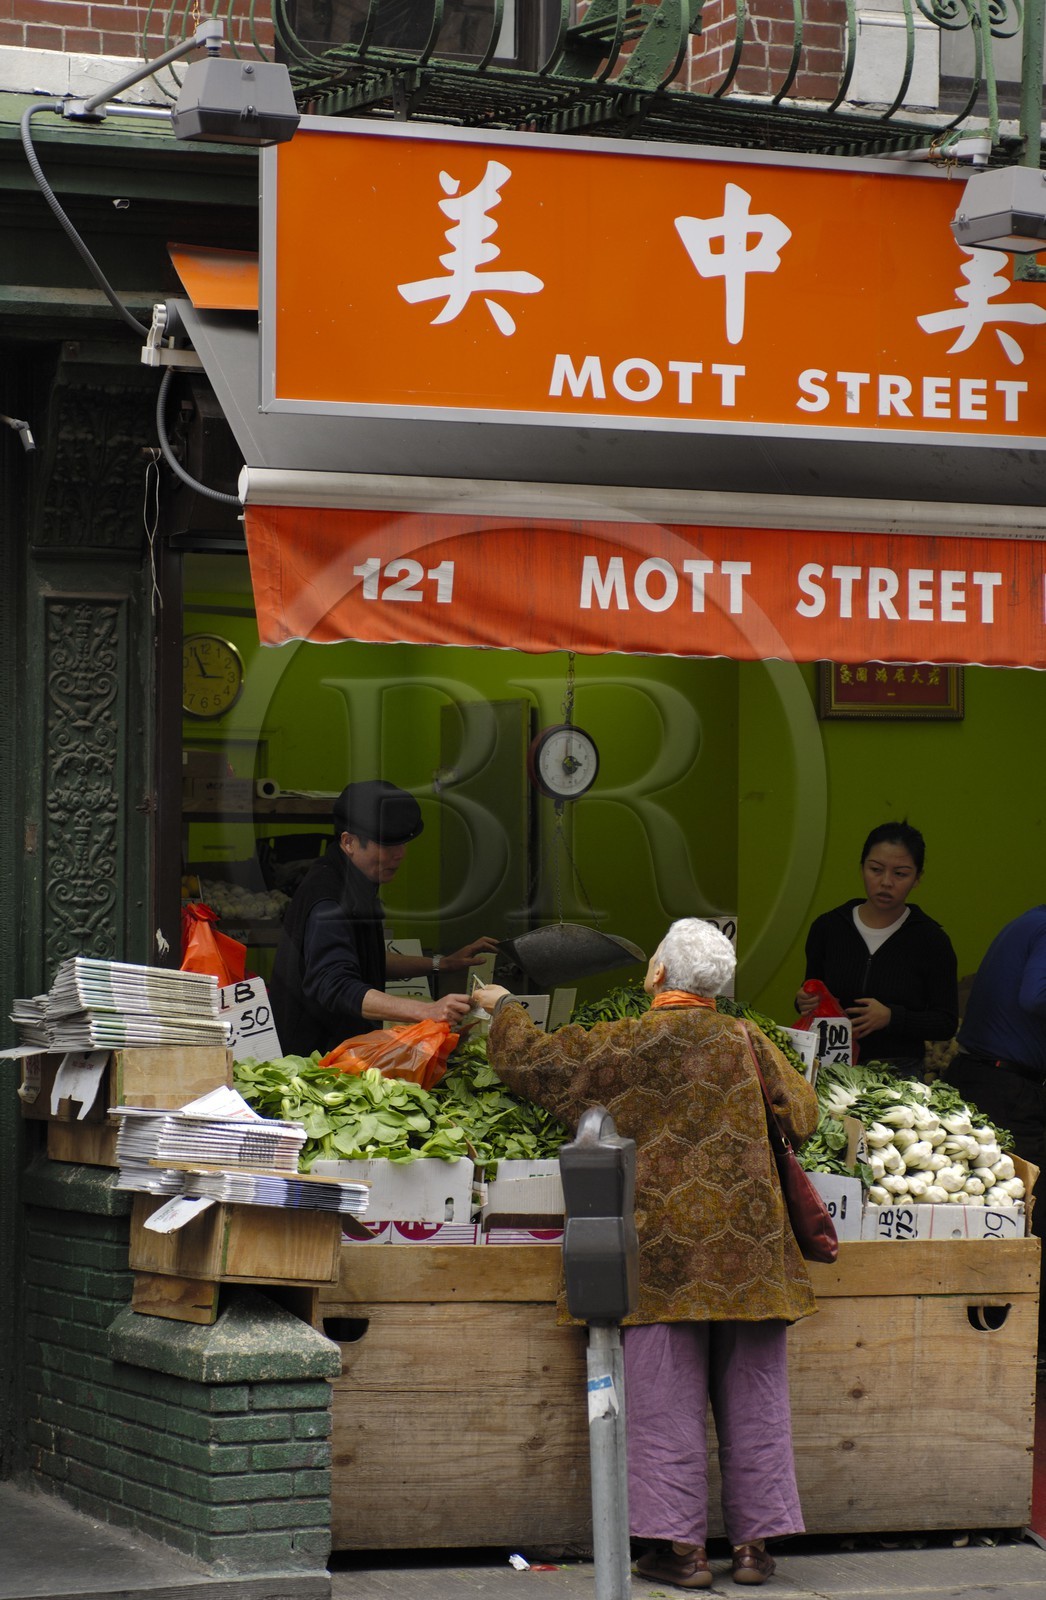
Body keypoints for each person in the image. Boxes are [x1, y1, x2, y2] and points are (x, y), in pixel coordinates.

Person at [474, 918, 819, 1590]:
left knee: (663, 1395)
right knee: (757, 1394)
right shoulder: (749, 1039)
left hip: (660, 1248)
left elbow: (534, 1066)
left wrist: (504, 1008)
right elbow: (803, 1115)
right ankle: (753, 1549)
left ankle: (681, 1552)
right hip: (750, 1247)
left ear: (657, 973)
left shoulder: (630, 1040)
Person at [271, 779, 498, 1056]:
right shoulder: (328, 901)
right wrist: (428, 1010)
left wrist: (442, 964)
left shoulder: (354, 882)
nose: (399, 855)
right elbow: (336, 984)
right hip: (316, 1064)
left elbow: (362, 958)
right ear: (349, 842)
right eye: (386, 845)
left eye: (402, 843)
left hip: (347, 1055)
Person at [945, 906, 1046, 1345]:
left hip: (983, 1077)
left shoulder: (1028, 920)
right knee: (1029, 1211)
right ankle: (1025, 1341)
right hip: (1006, 1087)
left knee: (995, 1207)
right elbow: (1035, 996)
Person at [794, 820, 957, 1077]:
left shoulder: (931, 940)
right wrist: (803, 999)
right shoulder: (828, 927)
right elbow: (811, 989)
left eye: (900, 874)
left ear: (917, 878)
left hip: (897, 1072)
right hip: (830, 1064)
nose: (886, 882)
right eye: (876, 869)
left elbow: (945, 1022)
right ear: (862, 868)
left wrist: (893, 1017)